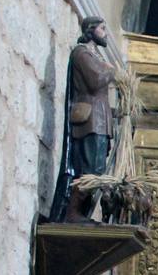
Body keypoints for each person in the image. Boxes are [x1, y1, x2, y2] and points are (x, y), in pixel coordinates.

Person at [49, 16, 116, 223]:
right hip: (90, 120)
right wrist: (112, 70)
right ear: (91, 30)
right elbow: (95, 80)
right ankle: (72, 212)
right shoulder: (81, 53)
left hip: (101, 120)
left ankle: (81, 213)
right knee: (90, 169)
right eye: (102, 28)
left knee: (97, 169)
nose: (105, 33)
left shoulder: (94, 55)